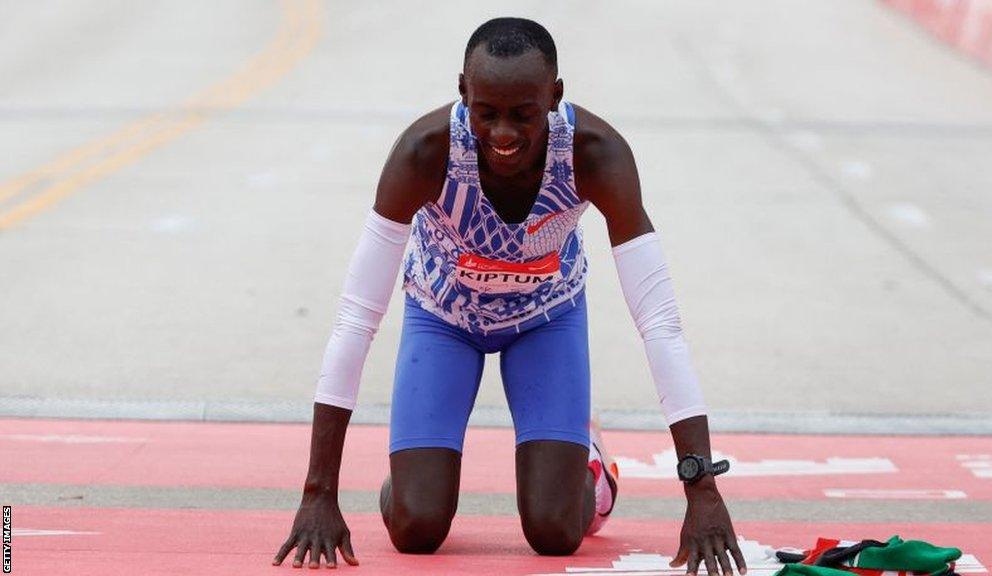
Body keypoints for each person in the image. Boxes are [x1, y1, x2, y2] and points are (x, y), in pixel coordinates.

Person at [273, 17, 746, 576]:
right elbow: (356, 318)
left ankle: (590, 465)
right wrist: (318, 492)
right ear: (463, 93)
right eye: (485, 112)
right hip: (442, 318)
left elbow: (660, 323)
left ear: (555, 96)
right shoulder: (423, 153)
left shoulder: (597, 154)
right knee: (417, 529)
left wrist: (701, 488)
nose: (502, 134)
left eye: (523, 114)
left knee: (553, 534)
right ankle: (414, 474)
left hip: (546, 319)